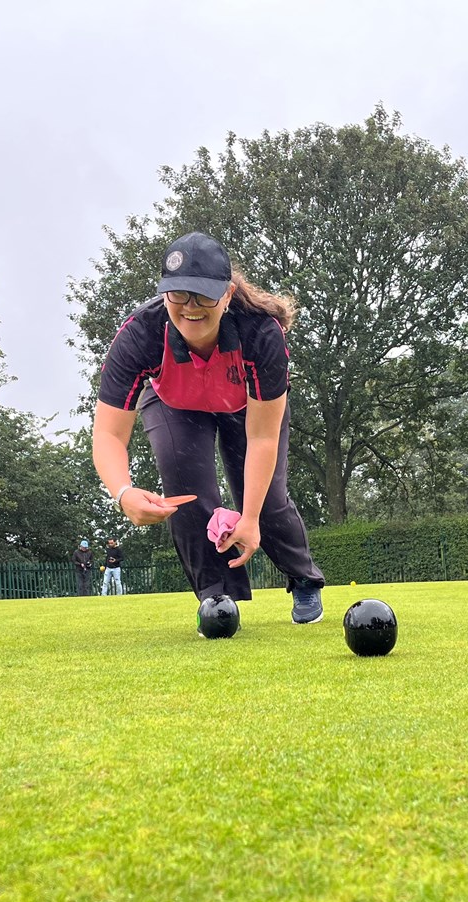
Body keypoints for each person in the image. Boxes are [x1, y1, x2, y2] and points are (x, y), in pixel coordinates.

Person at [91, 231, 325, 622]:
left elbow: (263, 436)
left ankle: (303, 580)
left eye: (203, 296)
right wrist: (123, 492)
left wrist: (249, 519)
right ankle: (217, 600)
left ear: (228, 295)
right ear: (164, 294)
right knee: (185, 496)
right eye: (178, 295)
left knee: (265, 499)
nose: (190, 307)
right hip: (175, 403)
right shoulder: (140, 334)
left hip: (246, 409)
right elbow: (109, 434)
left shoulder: (261, 333)